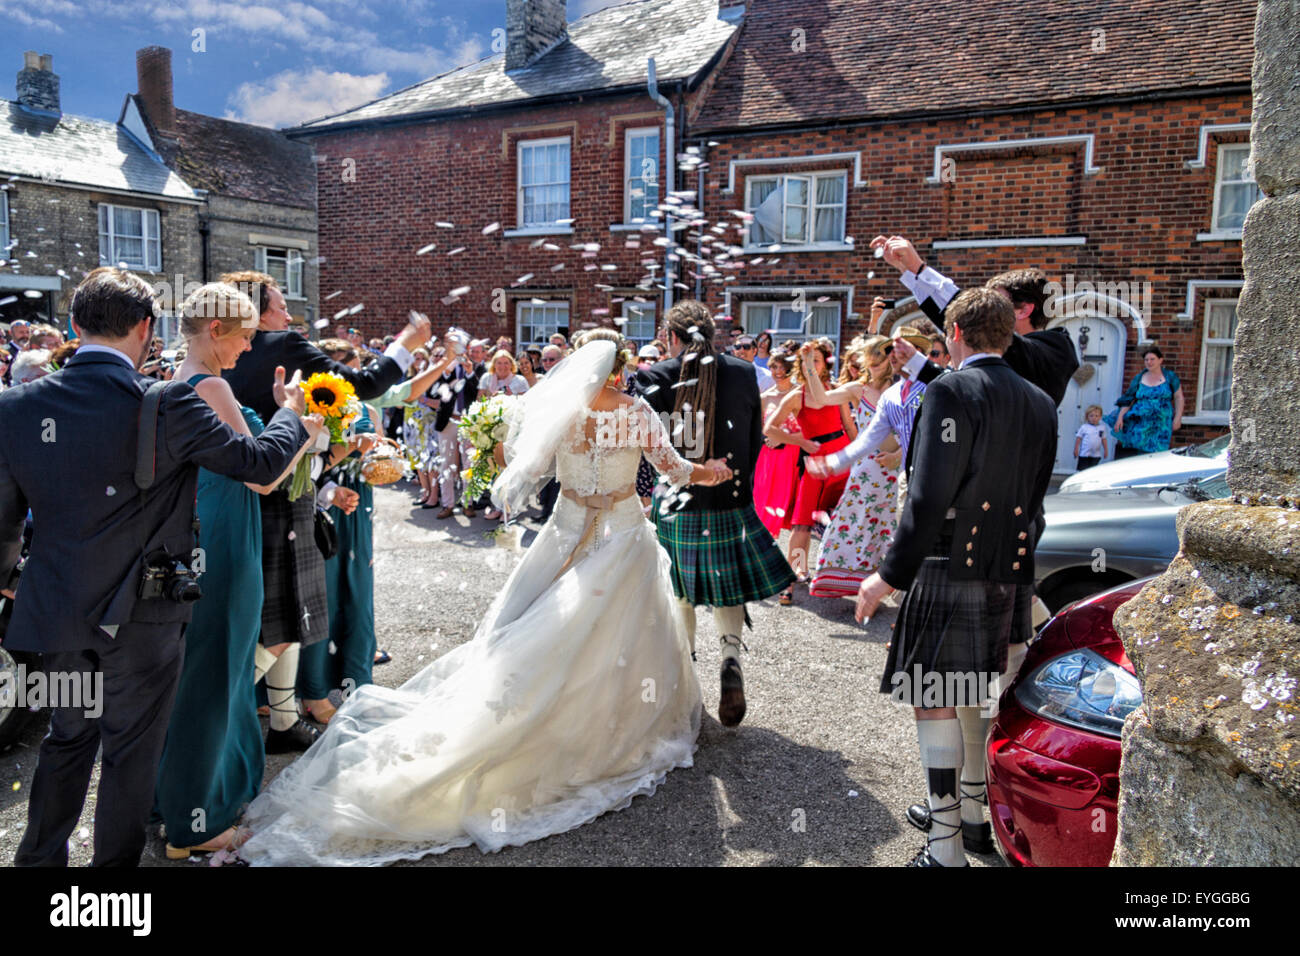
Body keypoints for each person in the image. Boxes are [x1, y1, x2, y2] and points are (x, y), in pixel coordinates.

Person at [239, 336, 730, 864]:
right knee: (616, 637)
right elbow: (674, 468)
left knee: (538, 635)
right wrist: (715, 470)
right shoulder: (636, 412)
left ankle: (530, 720)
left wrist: (493, 439)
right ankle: (613, 729)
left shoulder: (560, 411)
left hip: (565, 532)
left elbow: (516, 466)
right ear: (621, 370)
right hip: (620, 533)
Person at [0, 267, 316, 867]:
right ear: (147, 328)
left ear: (73, 325)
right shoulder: (169, 403)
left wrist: (14, 581)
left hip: (58, 612)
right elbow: (256, 466)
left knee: (65, 743)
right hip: (145, 617)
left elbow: (3, 522)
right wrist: (293, 415)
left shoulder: (14, 407)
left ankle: (39, 865)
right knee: (127, 755)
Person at [855, 288, 1057, 867]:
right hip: (1009, 567)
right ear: (1009, 335)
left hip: (949, 563)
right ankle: (974, 823)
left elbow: (927, 495)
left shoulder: (949, 389)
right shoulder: (1040, 401)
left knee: (936, 700)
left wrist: (887, 576)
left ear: (957, 335)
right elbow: (1036, 502)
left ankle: (943, 852)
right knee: (978, 694)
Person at [221, 270, 428, 753]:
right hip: (283, 495)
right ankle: (219, 714)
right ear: (253, 312)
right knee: (289, 615)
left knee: (269, 616)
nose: (288, 314)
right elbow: (366, 384)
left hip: (241, 492)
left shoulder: (223, 358)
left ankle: (283, 718)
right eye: (278, 305)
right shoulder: (280, 345)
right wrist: (406, 341)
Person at [154, 283, 319, 860]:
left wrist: (295, 423)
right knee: (217, 674)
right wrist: (292, 414)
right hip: (226, 537)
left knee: (204, 671)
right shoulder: (211, 382)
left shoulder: (175, 376)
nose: (250, 348)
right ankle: (197, 823)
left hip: (205, 531)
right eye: (246, 336)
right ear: (217, 331)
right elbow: (261, 476)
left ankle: (177, 802)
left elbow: (269, 462)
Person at [636, 301, 796, 727]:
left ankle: (688, 679)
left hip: (679, 503)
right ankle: (729, 657)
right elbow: (755, 439)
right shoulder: (744, 372)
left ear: (672, 336)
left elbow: (652, 450)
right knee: (727, 588)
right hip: (732, 498)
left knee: (681, 592)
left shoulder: (654, 376)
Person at [298, 340, 379, 726]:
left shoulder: (367, 408)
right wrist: (333, 488)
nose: (356, 375)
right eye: (350, 367)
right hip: (322, 509)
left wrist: (382, 456)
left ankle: (356, 681)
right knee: (322, 595)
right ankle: (310, 687)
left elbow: (377, 453)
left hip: (358, 507)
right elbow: (308, 462)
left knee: (358, 591)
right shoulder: (317, 403)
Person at [762, 339, 858, 601]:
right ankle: (796, 569)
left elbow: (850, 427)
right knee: (802, 522)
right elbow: (769, 428)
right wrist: (800, 441)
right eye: (805, 361)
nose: (809, 365)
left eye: (814, 360)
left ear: (824, 365)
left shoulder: (836, 390)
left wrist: (860, 456)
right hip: (814, 463)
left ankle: (848, 572)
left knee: (847, 516)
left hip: (841, 458)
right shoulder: (796, 396)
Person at [809, 336, 902, 599]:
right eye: (870, 359)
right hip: (865, 468)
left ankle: (880, 582)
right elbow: (820, 397)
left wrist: (898, 455)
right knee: (853, 519)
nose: (873, 365)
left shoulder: (904, 391)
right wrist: (807, 365)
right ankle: (839, 578)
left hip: (894, 471)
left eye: (879, 359)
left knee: (885, 523)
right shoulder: (857, 389)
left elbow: (916, 431)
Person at [431, 336, 486, 519]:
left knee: (468, 464)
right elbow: (437, 388)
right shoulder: (445, 366)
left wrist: (469, 373)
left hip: (467, 422)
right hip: (448, 421)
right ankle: (447, 504)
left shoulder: (478, 368)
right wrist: (447, 372)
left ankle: (467, 503)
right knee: (446, 463)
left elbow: (478, 391)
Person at [752, 346, 801, 541]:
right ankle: (762, 544)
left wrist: (784, 436)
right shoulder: (765, 397)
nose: (778, 372)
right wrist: (767, 438)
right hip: (768, 455)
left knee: (786, 503)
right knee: (763, 501)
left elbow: (808, 426)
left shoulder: (800, 393)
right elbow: (758, 427)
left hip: (792, 453)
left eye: (783, 367)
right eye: (774, 367)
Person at [1105, 345, 1183, 458]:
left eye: (1152, 359)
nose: (1149, 362)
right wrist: (1120, 417)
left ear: (1160, 360)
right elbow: (1128, 399)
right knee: (1141, 452)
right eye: (1146, 360)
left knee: (1159, 451)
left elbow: (1179, 397)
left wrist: (1178, 417)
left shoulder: (1170, 377)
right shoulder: (1139, 378)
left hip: (1162, 422)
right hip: (1142, 422)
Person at [1074, 405, 1109, 470]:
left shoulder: (1102, 428)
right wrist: (1076, 449)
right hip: (1084, 454)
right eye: (1091, 416)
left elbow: (1104, 439)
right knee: (1083, 469)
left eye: (1096, 416)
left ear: (1100, 417)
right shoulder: (1084, 427)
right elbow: (1079, 438)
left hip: (1096, 454)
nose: (1094, 418)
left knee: (1092, 469)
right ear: (1087, 417)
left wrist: (1105, 450)